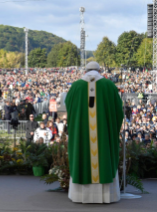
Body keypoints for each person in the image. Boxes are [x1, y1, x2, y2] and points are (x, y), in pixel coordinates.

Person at [66, 61, 123, 204]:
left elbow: (68, 109)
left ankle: (80, 196)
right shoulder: (109, 86)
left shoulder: (76, 86)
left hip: (82, 135)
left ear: (85, 71)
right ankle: (106, 196)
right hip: (103, 136)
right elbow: (119, 112)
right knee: (103, 155)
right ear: (100, 70)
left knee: (82, 154)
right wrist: (110, 127)